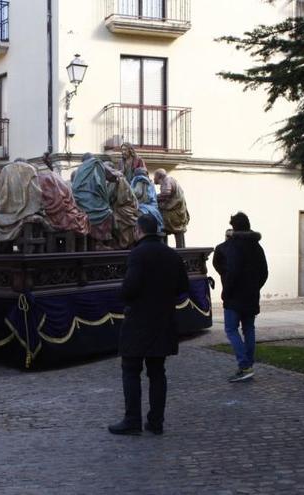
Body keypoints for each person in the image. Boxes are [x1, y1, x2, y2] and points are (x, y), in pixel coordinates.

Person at [108, 213, 189, 436]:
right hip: (163, 320)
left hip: (139, 321)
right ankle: (156, 421)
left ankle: (132, 419)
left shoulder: (138, 254)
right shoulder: (171, 254)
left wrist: (123, 294)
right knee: (157, 371)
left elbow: (130, 287)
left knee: (131, 370)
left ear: (138, 231)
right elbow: (183, 286)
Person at [212, 212, 269, 383]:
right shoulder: (257, 247)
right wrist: (254, 287)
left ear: (234, 227)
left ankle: (244, 366)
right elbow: (264, 273)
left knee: (231, 329)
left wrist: (227, 292)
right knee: (249, 329)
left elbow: (231, 272)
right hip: (251, 296)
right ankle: (248, 364)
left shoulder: (232, 247)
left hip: (235, 296)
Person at [37, 154, 90, 235]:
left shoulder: (40, 179)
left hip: (51, 215)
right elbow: (67, 202)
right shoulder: (57, 179)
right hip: (60, 216)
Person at [153, 168, 190, 247]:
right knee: (178, 232)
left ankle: (165, 250)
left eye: (154, 176)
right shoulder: (170, 180)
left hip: (173, 213)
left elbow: (166, 192)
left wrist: (155, 197)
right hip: (177, 211)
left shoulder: (167, 180)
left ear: (159, 176)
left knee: (162, 228)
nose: (153, 179)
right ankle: (180, 250)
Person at [130, 168, 164, 233]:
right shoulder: (150, 181)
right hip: (153, 207)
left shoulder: (140, 179)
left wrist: (128, 192)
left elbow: (138, 192)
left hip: (145, 206)